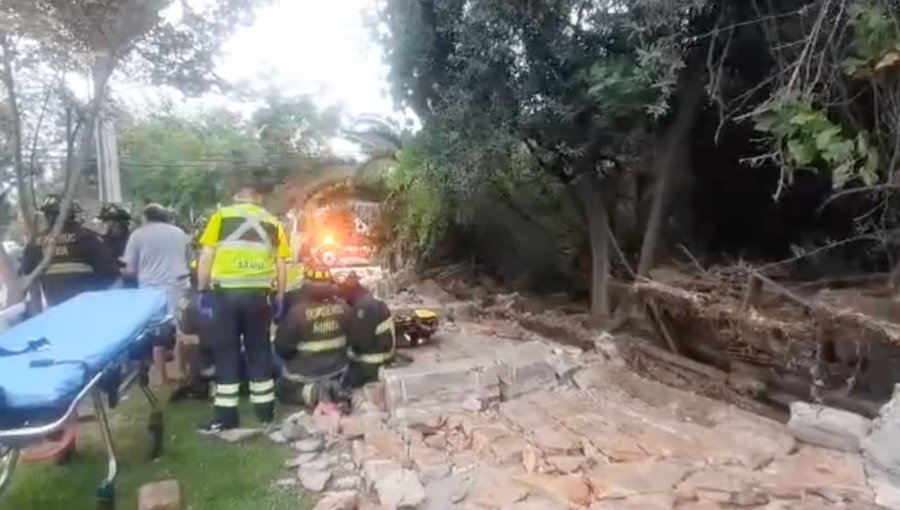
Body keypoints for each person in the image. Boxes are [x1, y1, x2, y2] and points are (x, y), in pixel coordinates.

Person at [195, 183, 289, 433]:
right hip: (259, 296)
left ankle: (226, 418)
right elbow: (281, 264)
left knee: (227, 353)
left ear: (236, 197)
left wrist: (202, 290)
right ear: (258, 198)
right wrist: (280, 296)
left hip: (225, 295)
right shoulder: (272, 223)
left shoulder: (222, 217)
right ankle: (266, 414)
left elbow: (206, 256)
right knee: (260, 352)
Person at [120, 203, 191, 385]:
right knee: (181, 329)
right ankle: (182, 371)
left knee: (158, 333)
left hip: (150, 290)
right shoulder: (179, 233)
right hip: (179, 285)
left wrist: (121, 273)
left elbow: (130, 269)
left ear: (145, 217)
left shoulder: (137, 235)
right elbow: (189, 261)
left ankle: (162, 377)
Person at [274, 266, 352, 410]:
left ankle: (314, 392)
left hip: (305, 376)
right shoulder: (345, 308)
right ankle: (334, 388)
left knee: (281, 389)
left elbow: (282, 349)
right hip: (338, 371)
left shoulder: (296, 313)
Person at [20, 194, 118, 308]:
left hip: (54, 308)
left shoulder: (35, 243)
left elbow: (25, 272)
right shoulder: (87, 237)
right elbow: (109, 273)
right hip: (86, 307)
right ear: (70, 214)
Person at [340, 272, 396, 387]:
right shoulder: (370, 301)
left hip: (373, 364)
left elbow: (361, 344)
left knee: (340, 381)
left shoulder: (364, 308)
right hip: (381, 356)